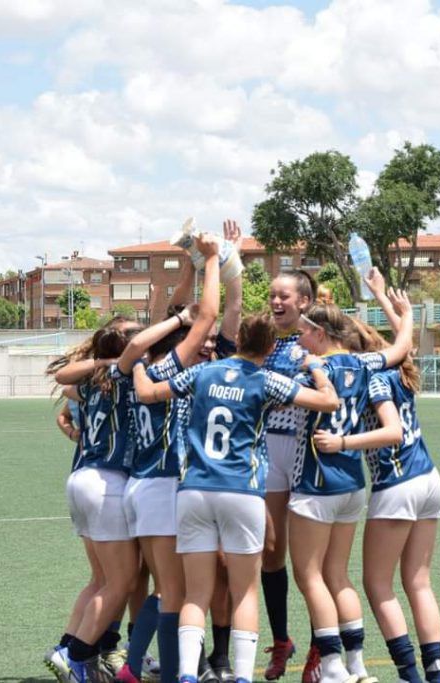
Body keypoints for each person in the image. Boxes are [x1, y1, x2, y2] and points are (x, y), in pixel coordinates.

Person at [134, 313, 340, 683]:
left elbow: (148, 393)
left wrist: (134, 362)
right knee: (245, 591)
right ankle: (242, 676)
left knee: (196, 594)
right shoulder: (268, 380)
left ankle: (186, 674)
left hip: (194, 489)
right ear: (272, 346)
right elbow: (328, 402)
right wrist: (318, 369)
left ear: (239, 338)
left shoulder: (203, 372)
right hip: (241, 491)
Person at [113, 232, 224, 683]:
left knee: (164, 588)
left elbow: (163, 323)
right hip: (160, 485)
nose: (204, 340)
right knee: (172, 591)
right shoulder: (167, 370)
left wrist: (190, 265)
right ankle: (148, 670)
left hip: (139, 486)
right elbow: (207, 315)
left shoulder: (134, 366)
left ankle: (136, 668)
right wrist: (213, 261)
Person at [289, 297, 414, 683]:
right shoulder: (363, 362)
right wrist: (406, 317)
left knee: (309, 576)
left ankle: (331, 666)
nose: (300, 339)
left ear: (320, 333)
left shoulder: (313, 370)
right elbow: (400, 349)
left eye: (304, 332)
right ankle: (357, 665)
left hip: (315, 481)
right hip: (351, 482)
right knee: (337, 576)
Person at [346, 269, 440, 683]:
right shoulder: (398, 367)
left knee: (376, 584)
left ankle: (409, 674)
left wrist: (344, 444)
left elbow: (391, 430)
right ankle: (435, 672)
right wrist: (386, 301)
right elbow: (402, 343)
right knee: (418, 583)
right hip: (430, 480)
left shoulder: (370, 376)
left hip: (398, 483)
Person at [49, 320, 144, 683]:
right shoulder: (126, 379)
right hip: (107, 480)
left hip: (81, 478)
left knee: (102, 578)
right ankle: (79, 655)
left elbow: (64, 378)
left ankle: (67, 646)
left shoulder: (91, 383)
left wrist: (100, 361)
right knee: (122, 581)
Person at [260, 270, 317, 681]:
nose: (276, 302)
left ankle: (322, 643)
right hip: (268, 452)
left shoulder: (318, 341)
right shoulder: (264, 341)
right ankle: (282, 641)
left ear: (304, 301)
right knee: (269, 550)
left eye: (284, 296)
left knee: (308, 563)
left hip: (306, 451)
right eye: (272, 296)